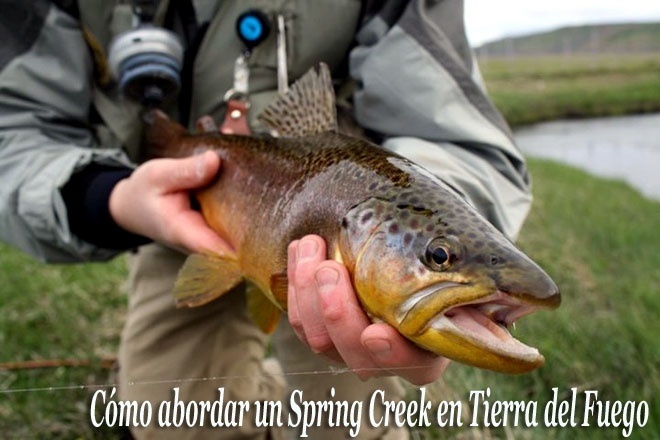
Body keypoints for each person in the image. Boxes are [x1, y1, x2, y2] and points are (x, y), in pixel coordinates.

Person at [0, 1, 532, 439]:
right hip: (177, 211)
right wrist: (110, 199)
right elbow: (16, 133)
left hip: (338, 210)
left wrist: (460, 229)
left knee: (352, 421)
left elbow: (453, 134)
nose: (439, 262)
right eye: (440, 258)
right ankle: (270, 396)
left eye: (437, 257)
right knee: (164, 416)